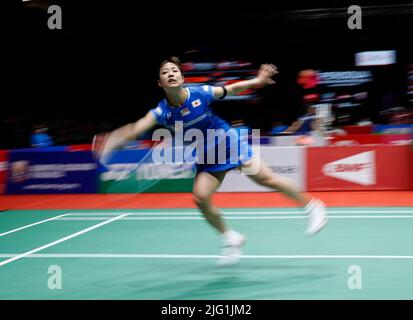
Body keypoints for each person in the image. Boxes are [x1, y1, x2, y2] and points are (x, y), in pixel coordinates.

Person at [94, 57, 327, 266]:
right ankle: (230, 237)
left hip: (229, 144)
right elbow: (136, 128)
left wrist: (257, 81)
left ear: (182, 78)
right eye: (165, 72)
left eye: (175, 71)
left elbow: (231, 88)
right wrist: (113, 140)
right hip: (207, 157)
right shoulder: (161, 112)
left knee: (266, 179)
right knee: (200, 198)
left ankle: (313, 206)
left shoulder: (199, 93)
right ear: (160, 83)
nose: (171, 74)